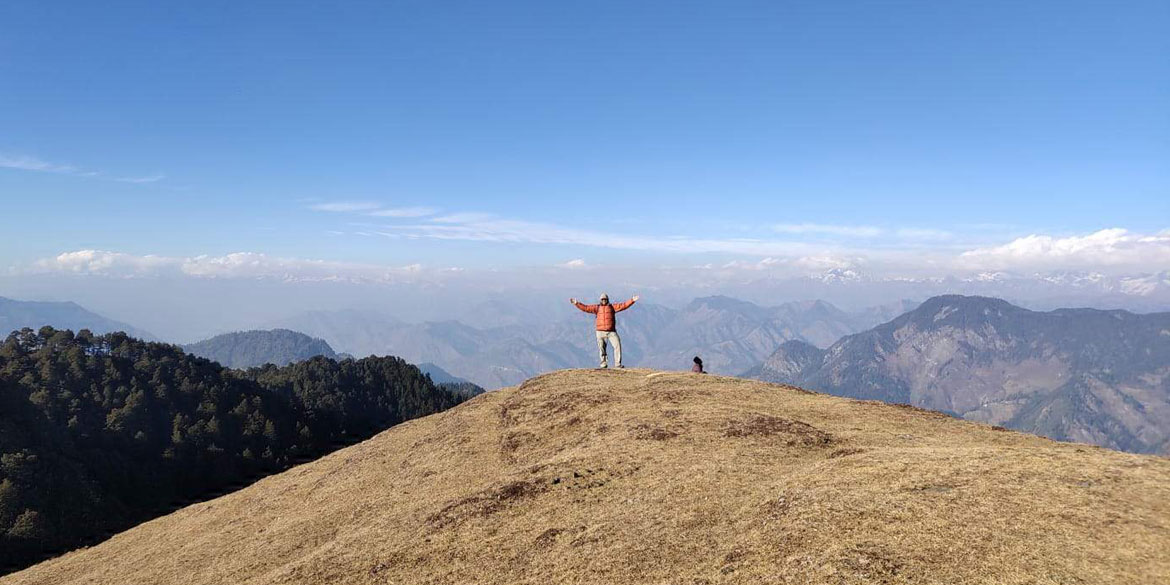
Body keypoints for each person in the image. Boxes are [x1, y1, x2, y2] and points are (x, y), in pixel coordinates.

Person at [570, 293, 639, 369]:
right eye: (602, 299)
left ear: (607, 300)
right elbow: (586, 308)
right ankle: (603, 364)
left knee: (617, 345)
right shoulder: (597, 308)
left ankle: (617, 364)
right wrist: (577, 303)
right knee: (602, 349)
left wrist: (632, 300)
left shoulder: (612, 307)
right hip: (600, 332)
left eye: (605, 299)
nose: (604, 300)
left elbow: (623, 305)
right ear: (600, 300)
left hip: (611, 331)